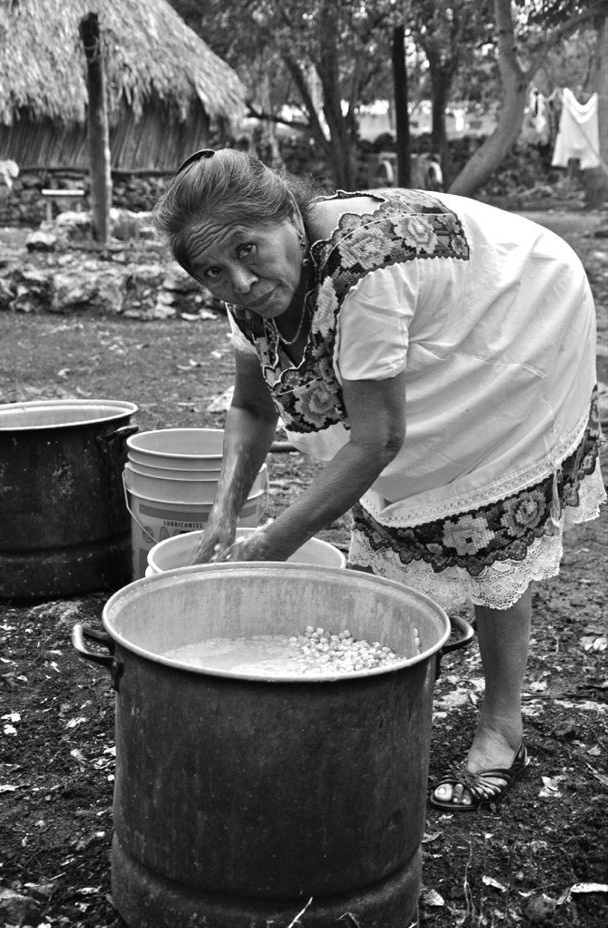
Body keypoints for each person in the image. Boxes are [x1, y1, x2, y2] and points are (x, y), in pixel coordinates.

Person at [153, 148, 605, 812]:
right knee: (391, 500)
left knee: (485, 521)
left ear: (287, 213)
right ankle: (382, 688)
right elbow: (249, 408)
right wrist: (223, 514)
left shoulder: (367, 270)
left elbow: (376, 440)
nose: (240, 281)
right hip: (431, 330)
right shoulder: (246, 290)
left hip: (514, 315)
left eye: (248, 251)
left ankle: (502, 727)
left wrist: (269, 547)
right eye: (213, 271)